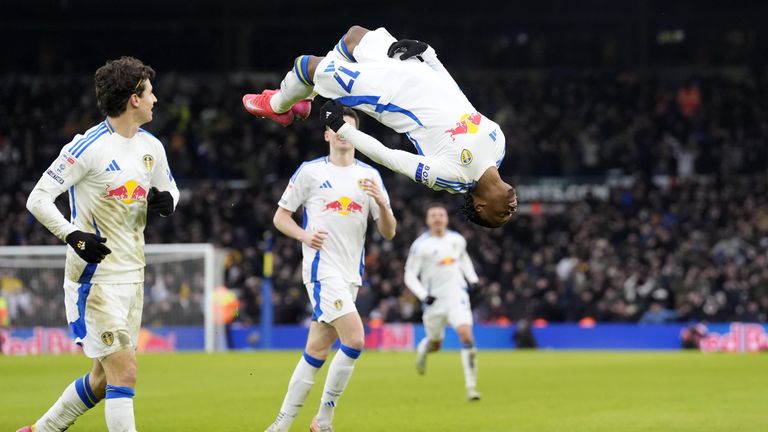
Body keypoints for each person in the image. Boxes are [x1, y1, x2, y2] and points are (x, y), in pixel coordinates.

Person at [20, 56, 179, 432]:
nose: (156, 99)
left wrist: (170, 201)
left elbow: (169, 187)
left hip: (132, 274)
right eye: (150, 92)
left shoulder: (151, 147)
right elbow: (38, 198)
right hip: (95, 279)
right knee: (125, 371)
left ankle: (41, 430)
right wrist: (73, 236)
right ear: (133, 99)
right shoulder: (86, 146)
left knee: (103, 379)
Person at [243, 25, 517, 228]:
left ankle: (278, 106)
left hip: (387, 93)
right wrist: (430, 56)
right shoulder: (498, 145)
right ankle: (304, 96)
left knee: (306, 66)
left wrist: (343, 128)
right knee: (354, 37)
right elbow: (461, 99)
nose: (512, 209)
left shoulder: (452, 177)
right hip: (415, 71)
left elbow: (391, 158)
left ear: (480, 207)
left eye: (502, 214)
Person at [267, 107, 397, 432]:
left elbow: (389, 232)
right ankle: (323, 419)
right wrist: (304, 234)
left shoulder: (369, 177)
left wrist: (382, 203)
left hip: (351, 274)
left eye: (347, 128)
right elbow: (280, 217)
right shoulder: (310, 172)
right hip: (322, 270)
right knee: (355, 340)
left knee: (316, 350)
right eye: (335, 127)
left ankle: (281, 424)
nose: (341, 132)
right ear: (327, 134)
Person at [403, 203, 482, 401]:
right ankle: (424, 348)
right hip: (434, 301)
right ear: (427, 220)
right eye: (433, 215)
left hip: (457, 295)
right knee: (436, 344)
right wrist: (423, 296)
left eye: (441, 215)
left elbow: (463, 260)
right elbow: (409, 275)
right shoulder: (421, 246)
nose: (437, 218)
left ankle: (471, 387)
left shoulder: (457, 240)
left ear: (446, 218)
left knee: (466, 335)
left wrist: (472, 279)